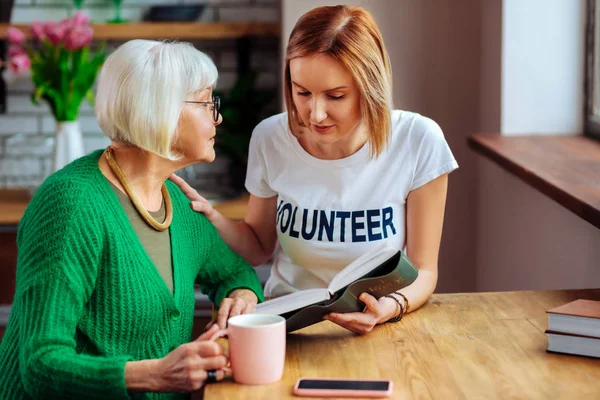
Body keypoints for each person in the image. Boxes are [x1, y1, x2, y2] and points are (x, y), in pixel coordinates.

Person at [0, 39, 264, 399]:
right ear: (161, 112)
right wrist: (154, 375)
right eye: (205, 103)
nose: (217, 117)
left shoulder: (177, 202)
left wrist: (242, 295)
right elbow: (40, 363)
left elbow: (234, 271)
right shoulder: (71, 205)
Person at [173, 5, 458, 335]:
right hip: (289, 327)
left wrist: (390, 307)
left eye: (335, 96)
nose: (315, 114)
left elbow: (424, 271)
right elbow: (257, 246)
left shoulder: (418, 140)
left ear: (370, 88)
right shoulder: (270, 138)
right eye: (302, 92)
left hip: (381, 326)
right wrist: (213, 216)